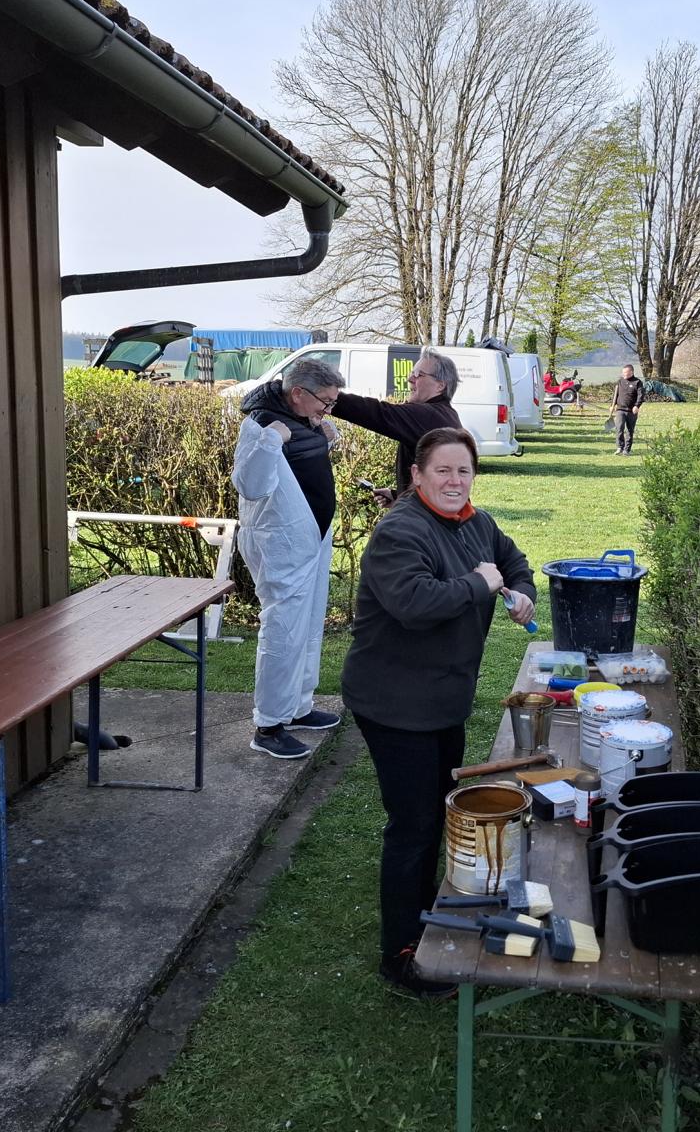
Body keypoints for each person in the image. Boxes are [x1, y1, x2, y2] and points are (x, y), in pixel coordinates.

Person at [341, 427, 536, 998]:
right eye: (443, 471)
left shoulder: (476, 522)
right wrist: (479, 583)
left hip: (443, 698)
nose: (455, 481)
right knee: (414, 824)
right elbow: (413, 604)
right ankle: (401, 955)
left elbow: (512, 560)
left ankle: (425, 907)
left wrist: (521, 588)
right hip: (395, 702)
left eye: (464, 471)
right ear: (418, 475)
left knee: (437, 809)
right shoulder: (400, 532)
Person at [232, 358, 346, 759]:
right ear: (298, 393)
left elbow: (297, 466)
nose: (327, 409)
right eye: (325, 402)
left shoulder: (301, 419)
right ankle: (269, 725)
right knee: (283, 631)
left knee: (307, 626)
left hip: (309, 540)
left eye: (332, 403)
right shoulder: (261, 424)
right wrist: (270, 441)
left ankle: (297, 707)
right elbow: (251, 484)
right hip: (280, 545)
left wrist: (325, 439)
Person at [329, 348, 462, 508]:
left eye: (418, 375)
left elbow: (379, 413)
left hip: (432, 520)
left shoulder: (429, 415)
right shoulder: (445, 414)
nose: (410, 379)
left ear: (440, 386)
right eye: (412, 373)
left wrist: (328, 397)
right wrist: (399, 496)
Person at [610, 363, 645, 455]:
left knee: (630, 430)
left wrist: (637, 406)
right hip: (620, 410)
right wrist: (612, 405)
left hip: (631, 411)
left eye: (626, 372)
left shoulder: (637, 382)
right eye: (623, 372)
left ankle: (627, 450)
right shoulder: (620, 381)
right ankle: (620, 447)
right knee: (619, 428)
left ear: (631, 372)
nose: (624, 374)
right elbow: (615, 394)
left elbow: (641, 396)